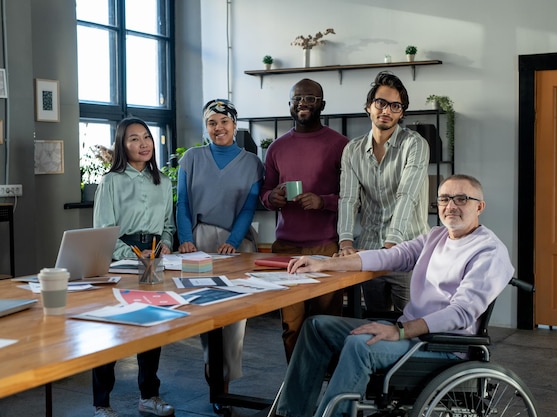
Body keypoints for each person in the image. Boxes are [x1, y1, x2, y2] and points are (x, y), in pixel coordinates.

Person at [276, 174, 514, 417]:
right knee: (316, 327)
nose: (451, 206)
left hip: (442, 345)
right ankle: (290, 414)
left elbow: (462, 313)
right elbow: (390, 256)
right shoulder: (436, 236)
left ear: (479, 207)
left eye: (461, 199)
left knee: (361, 345)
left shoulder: (489, 251)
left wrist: (400, 331)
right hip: (411, 335)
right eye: (444, 199)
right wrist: (324, 264)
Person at [176, 98, 264, 412]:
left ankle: (225, 381)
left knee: (233, 316)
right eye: (212, 123)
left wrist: (235, 239)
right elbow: (183, 204)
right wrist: (186, 239)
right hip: (198, 240)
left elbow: (249, 207)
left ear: (234, 125)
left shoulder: (252, 162)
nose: (218, 128)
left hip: (236, 243)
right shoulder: (191, 158)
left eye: (224, 122)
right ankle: (214, 377)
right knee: (203, 311)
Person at [259, 78, 350, 362]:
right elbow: (264, 192)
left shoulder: (340, 144)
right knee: (291, 326)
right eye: (297, 98)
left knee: (326, 323)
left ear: (322, 104)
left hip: (325, 248)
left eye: (310, 98)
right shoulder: (276, 147)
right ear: (289, 104)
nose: (302, 103)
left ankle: (331, 386)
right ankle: (297, 387)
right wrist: (271, 198)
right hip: (286, 249)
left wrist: (323, 201)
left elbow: (352, 196)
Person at [92, 117, 176, 417]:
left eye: (146, 138)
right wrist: (134, 255)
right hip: (121, 257)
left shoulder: (163, 182)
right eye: (133, 139)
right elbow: (104, 229)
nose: (143, 144)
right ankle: (102, 403)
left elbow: (168, 226)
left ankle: (149, 396)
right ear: (121, 146)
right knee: (112, 331)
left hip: (154, 259)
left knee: (151, 328)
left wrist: (165, 243)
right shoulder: (110, 181)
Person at [337, 71, 430, 315]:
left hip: (408, 251)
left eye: (395, 106)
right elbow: (348, 199)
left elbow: (407, 195)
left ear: (401, 113)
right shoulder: (352, 150)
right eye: (381, 103)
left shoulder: (415, 144)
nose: (386, 111)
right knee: (375, 321)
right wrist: (345, 241)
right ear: (369, 106)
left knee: (411, 322)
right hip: (369, 249)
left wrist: (392, 246)